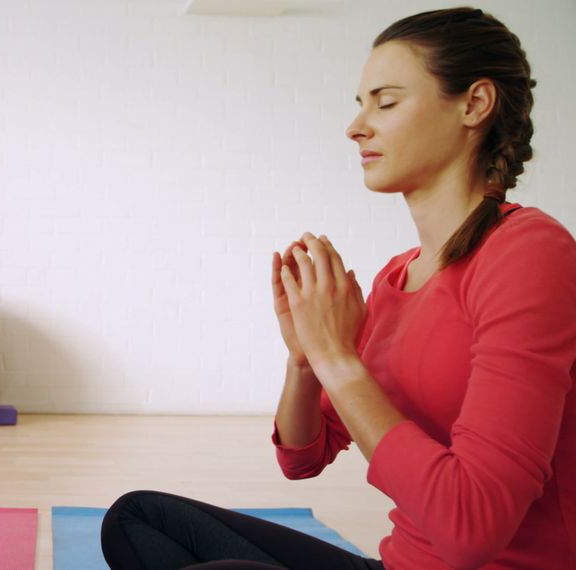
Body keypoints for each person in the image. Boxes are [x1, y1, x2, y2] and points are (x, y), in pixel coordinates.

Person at [102, 7, 576, 569]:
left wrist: (337, 356)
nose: (357, 126)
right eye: (360, 104)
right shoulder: (398, 276)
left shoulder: (529, 253)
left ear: (473, 104)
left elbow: (470, 530)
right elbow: (303, 457)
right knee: (137, 518)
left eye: (386, 101)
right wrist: (306, 360)